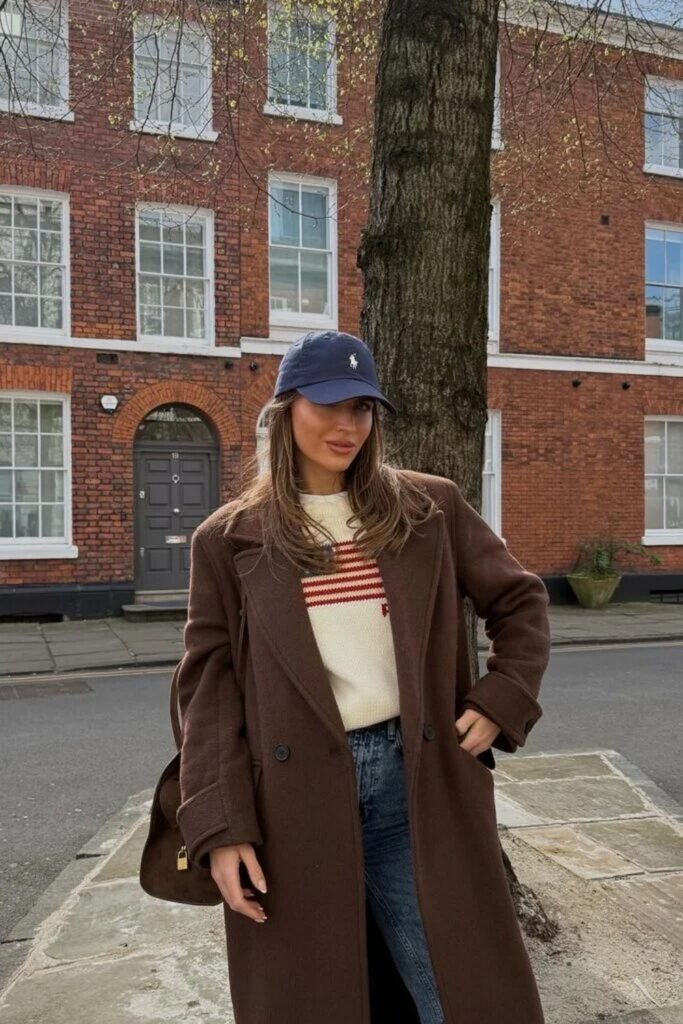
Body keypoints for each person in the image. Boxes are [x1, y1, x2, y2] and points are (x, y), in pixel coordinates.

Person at [176, 329, 552, 1024]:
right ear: (287, 410)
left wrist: (501, 699)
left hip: (418, 781)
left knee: (455, 986)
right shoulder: (228, 540)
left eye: (362, 408)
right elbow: (207, 689)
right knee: (321, 991)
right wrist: (220, 826)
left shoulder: (427, 509)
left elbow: (519, 600)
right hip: (295, 797)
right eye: (328, 405)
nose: (347, 425)